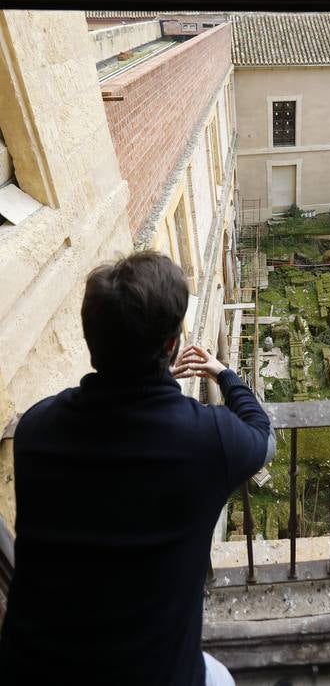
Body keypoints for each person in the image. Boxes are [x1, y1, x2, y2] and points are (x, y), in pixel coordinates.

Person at [0, 251, 275, 686]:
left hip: (33, 669)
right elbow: (263, 434)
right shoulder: (209, 439)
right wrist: (223, 374)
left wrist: (156, 384)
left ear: (92, 342)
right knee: (221, 678)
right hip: (151, 674)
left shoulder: (36, 428)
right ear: (171, 346)